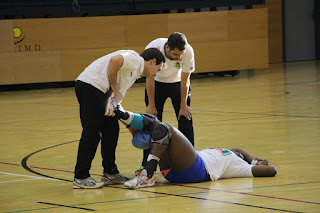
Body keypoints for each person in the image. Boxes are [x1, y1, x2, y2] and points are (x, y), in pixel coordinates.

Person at [113, 107, 277, 189]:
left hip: (196, 170)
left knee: (165, 128)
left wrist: (253, 166)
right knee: (155, 127)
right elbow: (239, 149)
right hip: (174, 171)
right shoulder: (233, 154)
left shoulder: (239, 167)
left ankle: (147, 175)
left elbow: (272, 171)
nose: (238, 154)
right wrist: (254, 159)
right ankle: (119, 112)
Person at [72, 48, 165, 189]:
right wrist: (115, 86)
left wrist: (131, 128)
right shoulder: (135, 59)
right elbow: (114, 60)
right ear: (152, 62)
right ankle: (81, 177)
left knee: (111, 130)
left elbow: (115, 106)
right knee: (92, 132)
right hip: (91, 87)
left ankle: (110, 173)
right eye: (158, 69)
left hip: (99, 91)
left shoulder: (133, 74)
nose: (156, 74)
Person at [141, 32, 195, 169]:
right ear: (167, 48)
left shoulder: (188, 51)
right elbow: (150, 78)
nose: (179, 58)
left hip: (178, 84)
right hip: (157, 84)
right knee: (152, 123)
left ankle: (190, 162)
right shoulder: (153, 48)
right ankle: (146, 164)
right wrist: (151, 105)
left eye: (181, 55)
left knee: (185, 118)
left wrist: (183, 105)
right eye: (176, 55)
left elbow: (185, 80)